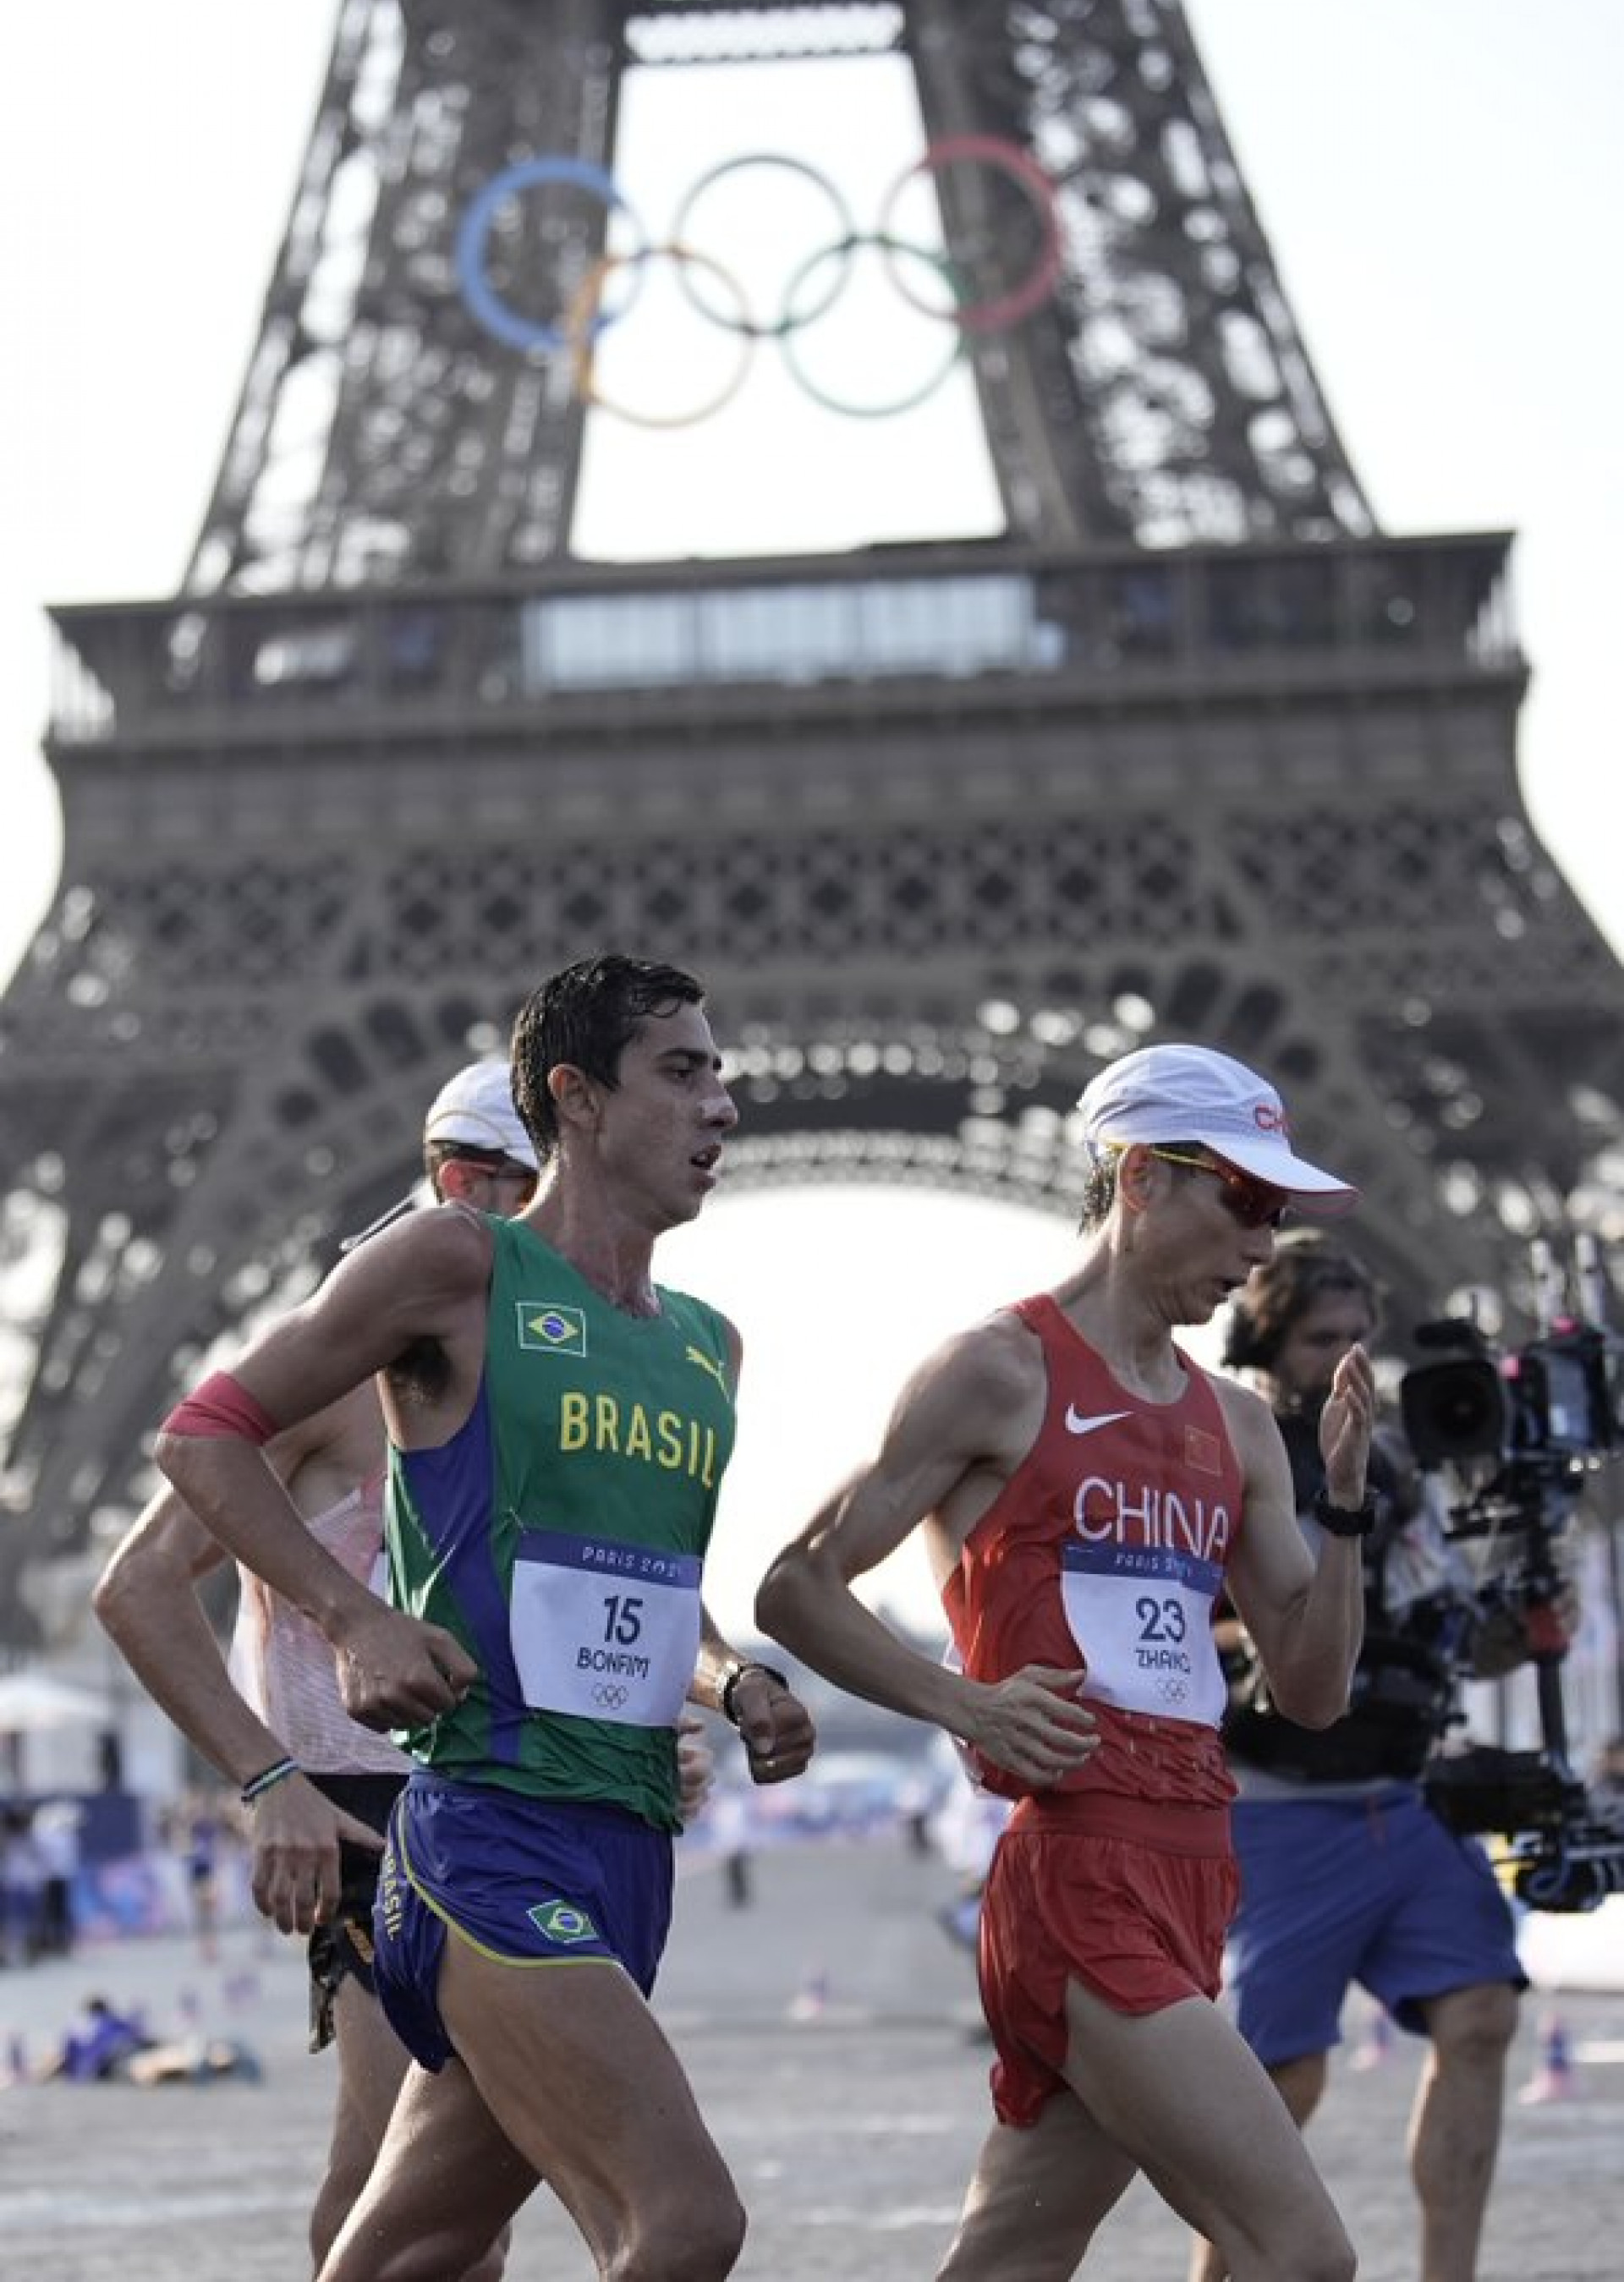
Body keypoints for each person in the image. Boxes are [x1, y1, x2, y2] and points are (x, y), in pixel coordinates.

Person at [152, 954, 816, 2282]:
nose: (724, 1105)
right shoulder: (458, 1264)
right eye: (683, 1072)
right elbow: (202, 1437)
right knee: (685, 2221)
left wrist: (735, 1679)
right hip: (488, 1836)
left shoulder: (707, 1343)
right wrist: (352, 1618)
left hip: (629, 1843)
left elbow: (648, 1595)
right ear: (575, 1098)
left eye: (722, 1073)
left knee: (413, 2249)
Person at [755, 1040, 1376, 2281]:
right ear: (1140, 1174)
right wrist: (963, 1699)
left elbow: (1312, 1692)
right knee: (1303, 2252)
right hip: (1075, 1868)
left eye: (1278, 1213)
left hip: (1197, 1862)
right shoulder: (999, 1368)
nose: (1263, 1248)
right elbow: (795, 1585)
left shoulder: (1240, 1424)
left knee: (1009, 2257)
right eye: (1244, 1201)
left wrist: (1348, 1510)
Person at [95, 1056, 541, 2274]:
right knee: (390, 2177)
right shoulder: (329, 1373)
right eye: (541, 1191)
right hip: (359, 1805)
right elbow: (137, 1586)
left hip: (508, 1792)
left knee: (477, 2188)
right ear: (465, 1181)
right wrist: (264, 1778)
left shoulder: (545, 1368)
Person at [1188, 1234, 1533, 2282]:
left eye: (1358, 1341)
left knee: (1482, 2013)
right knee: (1281, 2085)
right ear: (1264, 1339)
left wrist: (1525, 1616)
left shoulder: (1391, 1469)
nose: (1344, 1359)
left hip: (1402, 1795)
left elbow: (1454, 1633)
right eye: (1319, 1340)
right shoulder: (1225, 1450)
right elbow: (1164, 1620)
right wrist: (1289, 1631)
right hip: (1281, 1807)